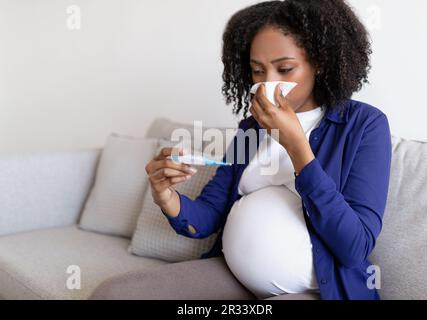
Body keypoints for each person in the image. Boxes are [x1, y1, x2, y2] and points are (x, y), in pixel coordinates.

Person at [144, 0, 392, 300]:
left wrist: (297, 146)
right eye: (258, 71)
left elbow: (354, 247)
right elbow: (208, 215)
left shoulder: (364, 125)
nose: (268, 83)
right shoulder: (251, 127)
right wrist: (166, 197)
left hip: (320, 290)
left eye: (285, 68)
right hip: (234, 275)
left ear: (320, 62)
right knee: (117, 294)